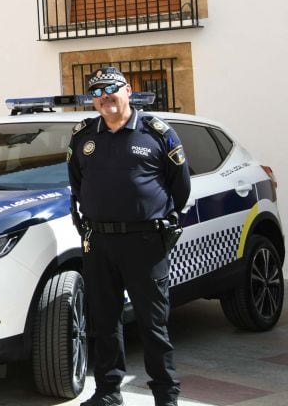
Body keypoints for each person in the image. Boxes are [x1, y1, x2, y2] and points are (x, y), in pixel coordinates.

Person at [68, 67, 191, 406]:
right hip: (100, 242)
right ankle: (108, 392)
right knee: (104, 321)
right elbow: (78, 184)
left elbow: (179, 187)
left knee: (153, 325)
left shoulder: (157, 133)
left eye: (111, 87)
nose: (104, 95)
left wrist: (150, 217)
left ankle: (166, 396)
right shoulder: (83, 136)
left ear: (128, 89)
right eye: (96, 91)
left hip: (145, 243)